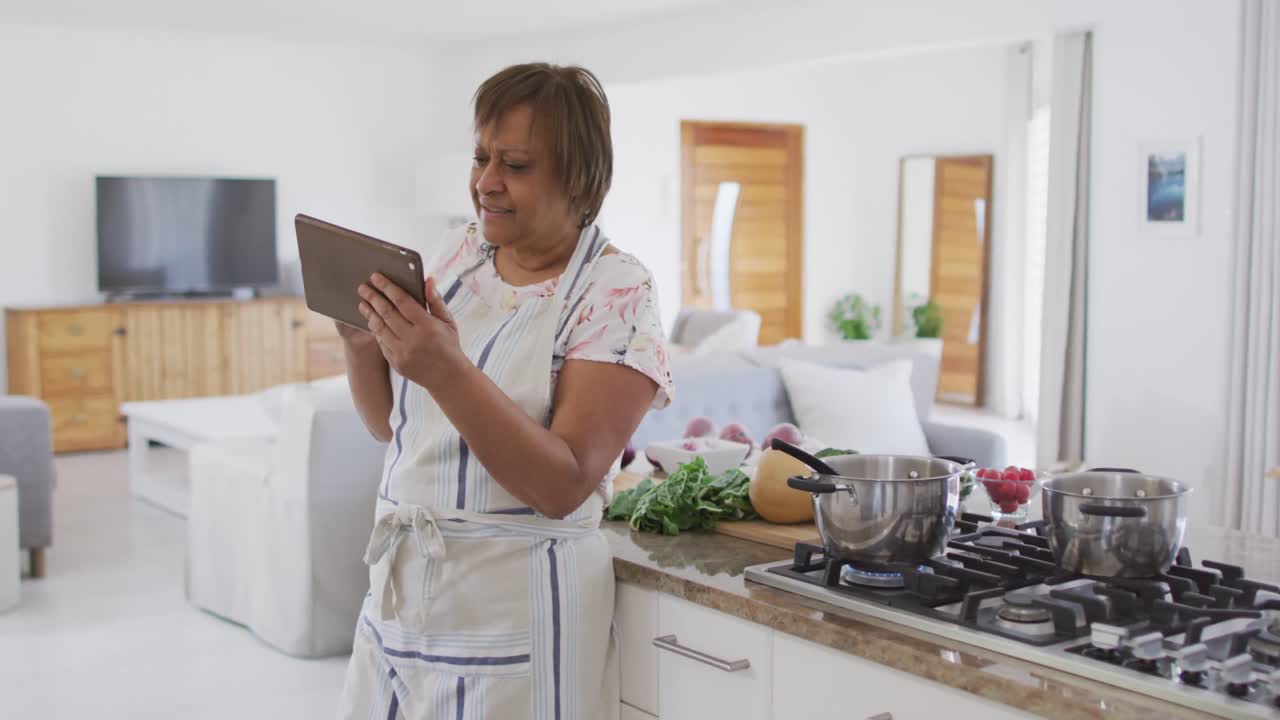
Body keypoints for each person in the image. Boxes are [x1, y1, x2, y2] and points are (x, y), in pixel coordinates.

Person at [335, 62, 672, 719]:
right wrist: (359, 346)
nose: (486, 183)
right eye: (482, 157)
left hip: (516, 616)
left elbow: (564, 482)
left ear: (579, 178)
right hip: (401, 608)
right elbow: (393, 429)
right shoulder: (454, 256)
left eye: (515, 164)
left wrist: (444, 367)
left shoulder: (617, 292)